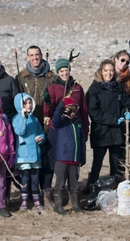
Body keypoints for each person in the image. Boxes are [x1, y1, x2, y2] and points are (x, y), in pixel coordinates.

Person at [42, 58, 89, 201]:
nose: (64, 73)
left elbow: (83, 111)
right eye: (61, 71)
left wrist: (85, 130)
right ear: (58, 72)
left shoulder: (77, 88)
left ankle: (71, 193)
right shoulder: (52, 88)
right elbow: (47, 113)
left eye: (66, 70)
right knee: (53, 162)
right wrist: (48, 102)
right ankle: (48, 190)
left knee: (72, 160)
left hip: (73, 129)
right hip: (56, 129)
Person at [85, 59, 130, 189]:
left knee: (116, 164)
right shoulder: (94, 89)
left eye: (111, 70)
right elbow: (94, 112)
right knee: (97, 163)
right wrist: (113, 120)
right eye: (106, 70)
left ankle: (115, 189)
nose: (109, 73)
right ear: (101, 72)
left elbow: (126, 104)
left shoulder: (119, 88)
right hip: (101, 132)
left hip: (117, 133)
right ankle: (92, 187)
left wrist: (126, 112)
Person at [51, 97, 86, 215]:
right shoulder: (60, 122)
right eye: (69, 109)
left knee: (74, 183)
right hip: (62, 158)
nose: (72, 112)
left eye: (74, 109)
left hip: (75, 158)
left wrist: (82, 157)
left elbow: (82, 141)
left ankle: (75, 205)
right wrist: (60, 107)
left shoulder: (78, 122)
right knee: (60, 183)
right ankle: (58, 205)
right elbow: (54, 120)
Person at [12, 93, 46, 211]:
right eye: (25, 103)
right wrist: (23, 116)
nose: (29, 105)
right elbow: (20, 131)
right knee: (25, 179)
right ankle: (24, 201)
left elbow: (41, 132)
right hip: (23, 155)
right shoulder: (16, 118)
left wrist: (41, 138)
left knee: (35, 178)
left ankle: (36, 200)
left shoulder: (35, 119)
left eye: (30, 102)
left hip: (35, 155)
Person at [15, 45, 57, 126]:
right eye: (31, 55)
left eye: (37, 54)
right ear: (28, 58)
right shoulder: (21, 77)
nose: (35, 57)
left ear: (41, 55)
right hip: (29, 120)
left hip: (46, 120)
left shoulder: (52, 78)